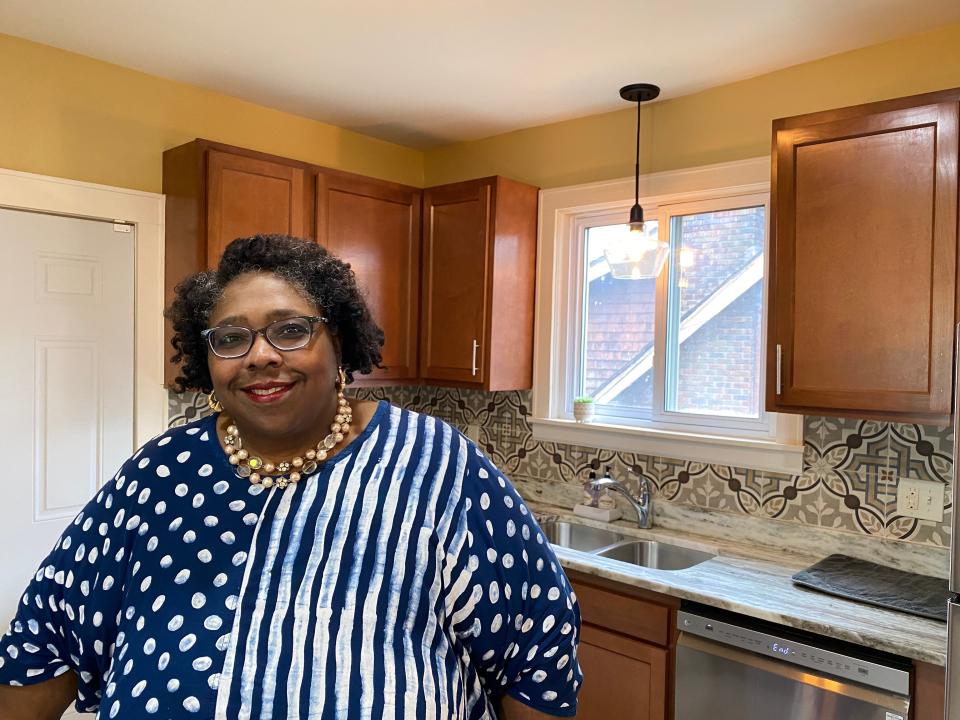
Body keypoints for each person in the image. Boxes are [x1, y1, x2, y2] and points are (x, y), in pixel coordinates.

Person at [0, 234, 582, 719]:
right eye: (231, 338)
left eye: (290, 330)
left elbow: (536, 648)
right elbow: (46, 631)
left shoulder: (438, 469)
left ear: (341, 344)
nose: (259, 356)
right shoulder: (159, 473)